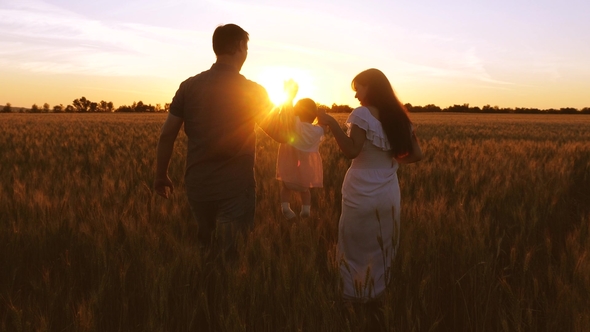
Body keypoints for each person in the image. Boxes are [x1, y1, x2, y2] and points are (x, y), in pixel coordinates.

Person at [154, 23, 297, 259]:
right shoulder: (252, 91)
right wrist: (289, 100)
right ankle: (226, 293)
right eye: (246, 47)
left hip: (198, 186)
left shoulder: (189, 87)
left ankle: (206, 294)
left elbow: (167, 134)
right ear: (241, 46)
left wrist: (161, 174)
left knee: (206, 250)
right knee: (232, 256)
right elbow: (282, 134)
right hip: (235, 187)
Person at [317, 68, 423, 302]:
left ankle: (352, 299)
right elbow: (417, 154)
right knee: (382, 247)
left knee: (354, 247)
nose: (356, 96)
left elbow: (352, 150)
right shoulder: (399, 117)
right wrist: (390, 160)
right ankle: (378, 299)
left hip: (361, 190)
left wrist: (333, 124)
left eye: (358, 89)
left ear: (371, 87)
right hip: (388, 190)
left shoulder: (362, 114)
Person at [275, 98, 326, 219]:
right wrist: (321, 115)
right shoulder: (316, 131)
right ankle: (306, 210)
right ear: (314, 115)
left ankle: (286, 208)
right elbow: (324, 127)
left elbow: (288, 114)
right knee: (305, 190)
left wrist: (290, 100)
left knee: (286, 187)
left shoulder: (295, 124)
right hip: (306, 166)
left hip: (289, 162)